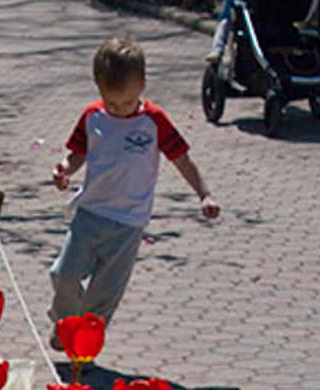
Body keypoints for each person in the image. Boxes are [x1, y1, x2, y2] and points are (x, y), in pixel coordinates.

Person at [50, 35, 219, 338]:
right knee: (64, 275)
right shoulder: (93, 117)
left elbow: (182, 160)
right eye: (111, 102)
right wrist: (65, 168)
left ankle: (83, 348)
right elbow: (78, 152)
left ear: (142, 84)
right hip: (90, 213)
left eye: (126, 102)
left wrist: (204, 194)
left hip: (129, 223)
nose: (118, 110)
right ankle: (65, 324)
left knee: (104, 294)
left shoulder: (154, 121)